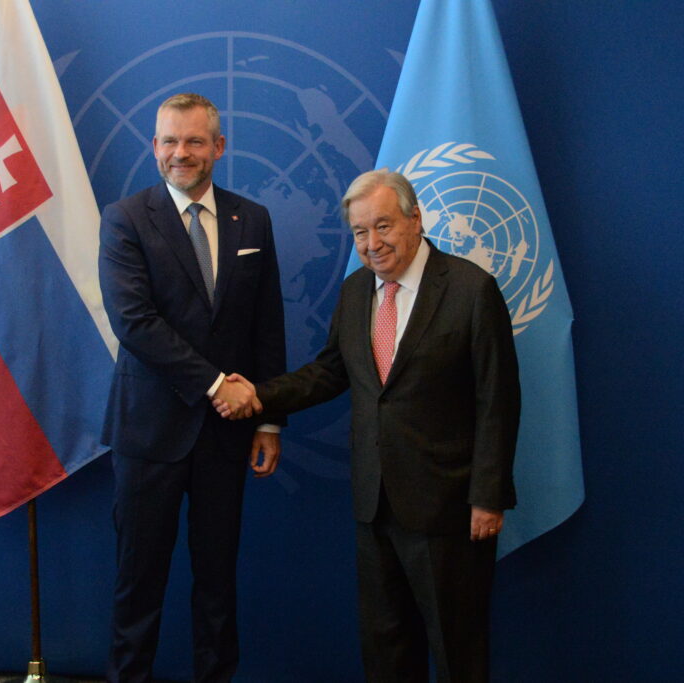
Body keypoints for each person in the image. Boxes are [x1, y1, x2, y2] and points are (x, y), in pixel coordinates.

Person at [216, 170, 520, 682]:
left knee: (457, 648)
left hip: (447, 507)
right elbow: (332, 370)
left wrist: (487, 496)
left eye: (384, 225)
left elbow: (498, 400)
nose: (372, 243)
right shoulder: (357, 290)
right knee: (385, 646)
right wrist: (259, 397)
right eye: (360, 231)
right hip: (374, 502)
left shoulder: (471, 289)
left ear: (416, 219)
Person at [98, 93, 285, 683]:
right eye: (170, 141)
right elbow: (134, 322)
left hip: (226, 436)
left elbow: (266, 323)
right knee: (138, 582)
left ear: (218, 147)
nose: (182, 153)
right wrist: (214, 385)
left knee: (217, 582)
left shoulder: (252, 218)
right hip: (149, 433)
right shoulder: (125, 218)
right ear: (155, 147)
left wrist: (270, 419)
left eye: (195, 141)